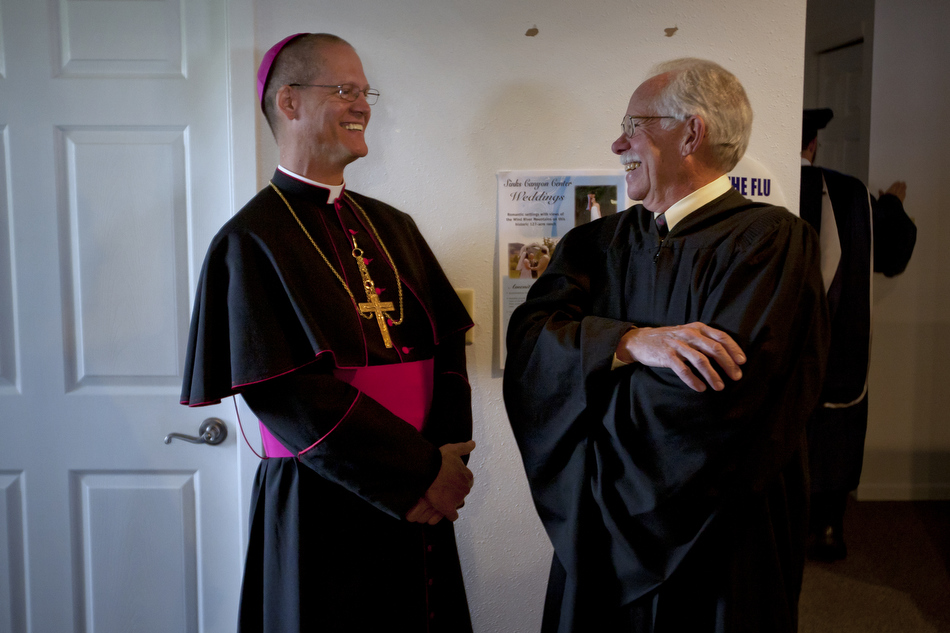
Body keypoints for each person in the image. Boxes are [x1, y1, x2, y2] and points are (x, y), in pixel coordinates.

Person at [504, 58, 829, 632]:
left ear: (691, 132)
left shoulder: (771, 243)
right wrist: (627, 342)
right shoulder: (593, 244)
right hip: (601, 529)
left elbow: (723, 395)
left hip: (718, 533)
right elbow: (530, 346)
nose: (617, 142)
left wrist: (597, 446)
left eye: (634, 124)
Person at [180, 33, 476, 632]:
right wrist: (419, 475)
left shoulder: (393, 226)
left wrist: (449, 458)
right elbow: (289, 394)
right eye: (345, 90)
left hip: (422, 489)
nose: (363, 104)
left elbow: (446, 347)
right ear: (288, 102)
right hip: (322, 496)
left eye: (366, 91)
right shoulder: (250, 240)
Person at [800, 108, 916, 560]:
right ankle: (828, 529)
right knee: (836, 424)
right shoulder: (850, 193)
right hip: (838, 344)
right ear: (813, 144)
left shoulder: (753, 190)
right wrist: (893, 204)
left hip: (774, 344)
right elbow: (894, 251)